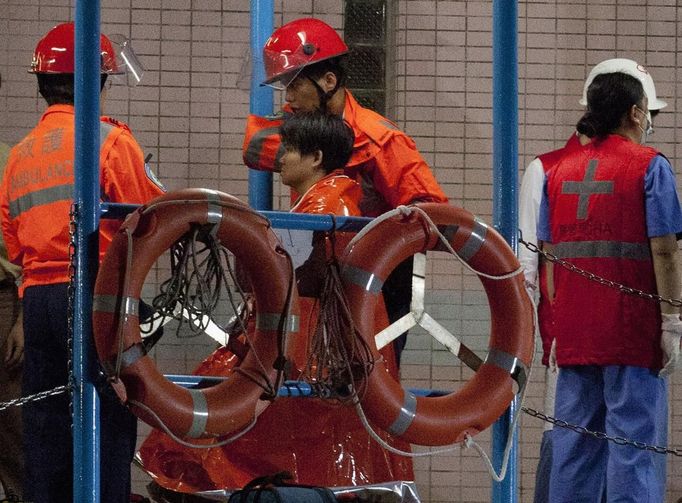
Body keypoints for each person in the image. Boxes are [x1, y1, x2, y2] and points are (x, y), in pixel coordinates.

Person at [138, 112, 413, 498]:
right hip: (320, 343)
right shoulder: (333, 201)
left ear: (315, 157)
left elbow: (282, 277)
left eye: (289, 149)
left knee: (221, 396)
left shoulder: (325, 207)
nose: (279, 157)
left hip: (306, 347)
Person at [0, 22, 165, 503]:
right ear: (98, 80)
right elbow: (146, 216)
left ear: (41, 83)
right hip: (96, 295)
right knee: (107, 413)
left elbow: (13, 241)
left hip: (38, 301)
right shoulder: (109, 141)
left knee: (44, 420)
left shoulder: (19, 155)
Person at [243, 17, 448, 365]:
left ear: (328, 81)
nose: (288, 98)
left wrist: (371, 240)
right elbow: (253, 147)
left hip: (378, 286)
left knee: (369, 386)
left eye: (293, 84)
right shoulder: (304, 128)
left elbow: (432, 218)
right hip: (317, 278)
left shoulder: (383, 142)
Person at [518, 58, 669, 503]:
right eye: (649, 114)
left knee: (577, 450)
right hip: (606, 335)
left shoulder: (557, 172)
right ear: (634, 112)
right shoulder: (641, 168)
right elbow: (532, 269)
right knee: (611, 449)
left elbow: (541, 263)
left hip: (579, 335)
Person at [0, 140, 24, 501]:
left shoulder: (11, 159)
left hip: (3, 298)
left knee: (12, 424)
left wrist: (21, 317)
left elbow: (30, 245)